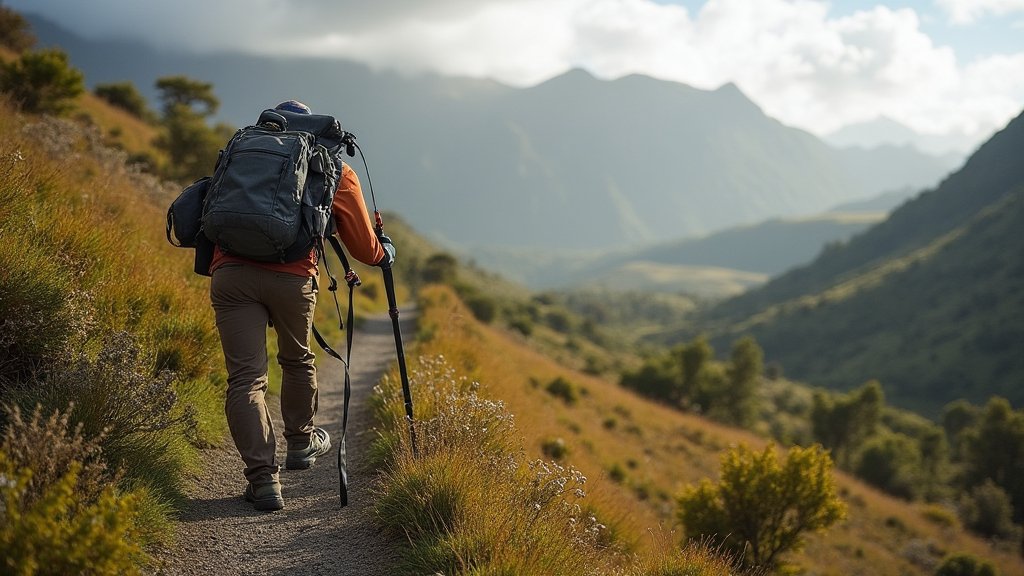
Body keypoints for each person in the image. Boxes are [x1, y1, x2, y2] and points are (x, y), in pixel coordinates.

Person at [208, 100, 395, 511]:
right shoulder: (331, 166)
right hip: (292, 279)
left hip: (231, 274)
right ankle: (300, 444)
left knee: (246, 379)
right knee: (296, 360)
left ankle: (262, 481)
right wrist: (385, 255)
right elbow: (363, 246)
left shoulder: (243, 149)